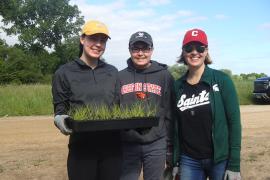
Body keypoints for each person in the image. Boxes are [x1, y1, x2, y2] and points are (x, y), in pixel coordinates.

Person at [52, 20, 122, 180]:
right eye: (93, 39)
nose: (98, 44)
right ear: (82, 39)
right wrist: (60, 119)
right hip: (81, 148)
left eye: (102, 40)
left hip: (112, 148)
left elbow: (119, 107)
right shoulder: (64, 72)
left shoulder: (112, 72)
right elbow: (60, 108)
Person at [172, 28, 242, 180]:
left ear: (206, 50)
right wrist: (176, 160)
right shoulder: (178, 86)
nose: (194, 52)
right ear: (183, 52)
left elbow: (234, 123)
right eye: (189, 48)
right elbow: (176, 126)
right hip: (189, 160)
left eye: (200, 47)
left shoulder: (222, 80)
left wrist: (234, 164)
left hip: (219, 160)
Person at [119, 31, 175, 180]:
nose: (140, 53)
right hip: (127, 143)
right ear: (130, 50)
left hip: (156, 143)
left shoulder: (164, 76)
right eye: (136, 49)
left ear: (152, 50)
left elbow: (170, 113)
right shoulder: (120, 77)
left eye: (145, 49)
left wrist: (170, 146)